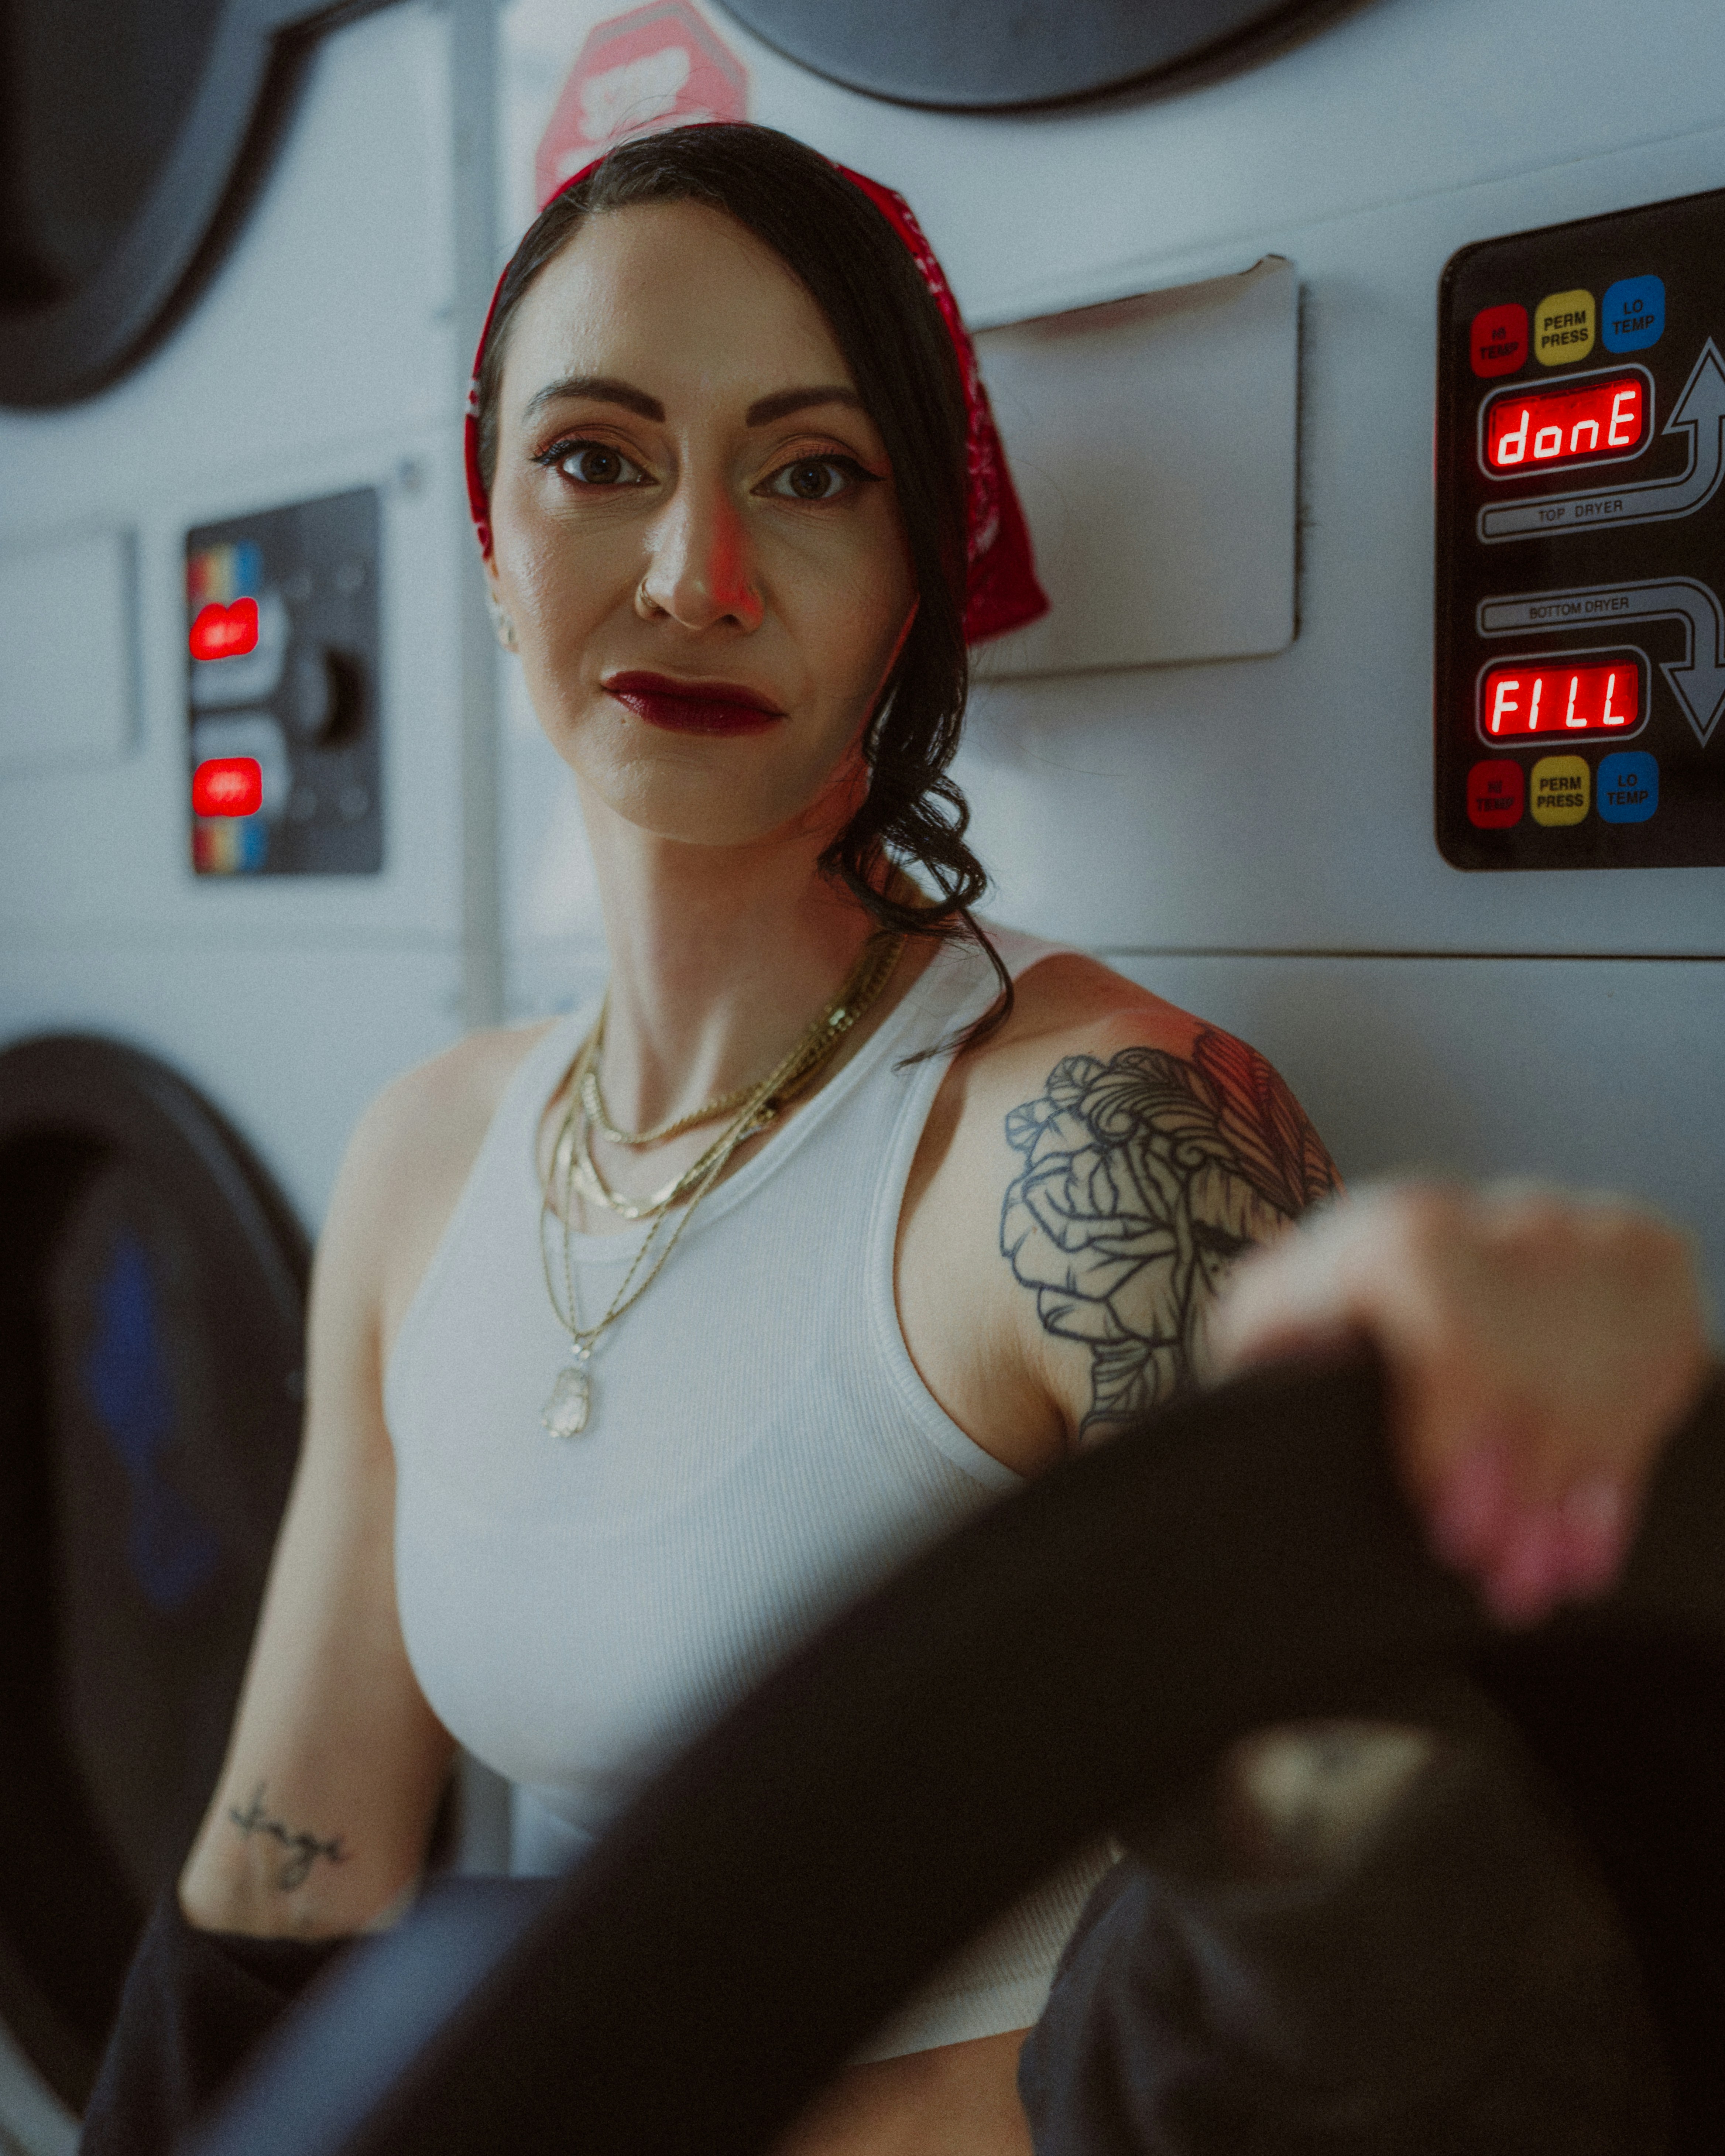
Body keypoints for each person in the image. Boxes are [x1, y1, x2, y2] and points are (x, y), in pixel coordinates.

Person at [82, 124, 1710, 2156]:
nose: (699, 574)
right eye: (599, 456)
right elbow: (285, 1887)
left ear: (916, 581)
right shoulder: (431, 1153)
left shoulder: (1091, 1139)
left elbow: (1350, 1997)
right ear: (490, 536)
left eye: (812, 473)